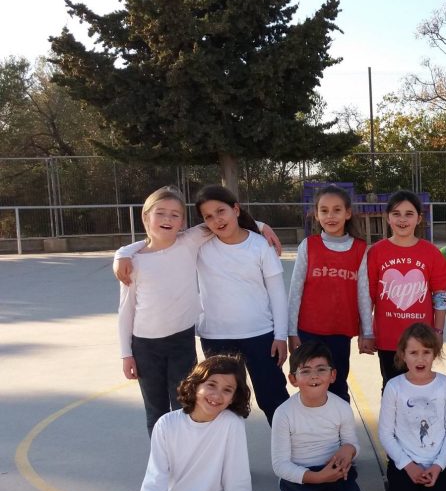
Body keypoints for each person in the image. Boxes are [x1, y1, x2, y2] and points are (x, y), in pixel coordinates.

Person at [114, 187, 281, 434]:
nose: (168, 219)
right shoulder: (134, 262)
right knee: (157, 411)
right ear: (145, 216)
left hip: (184, 342)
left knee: (185, 408)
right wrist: (126, 353)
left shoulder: (190, 241)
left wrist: (261, 225)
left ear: (183, 222)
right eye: (161, 213)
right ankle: (165, 459)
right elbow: (125, 310)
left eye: (175, 215)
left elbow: (224, 220)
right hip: (147, 346)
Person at [130, 354, 259, 491]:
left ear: (233, 398)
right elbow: (156, 476)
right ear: (196, 385)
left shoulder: (231, 424)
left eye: (227, 390)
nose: (217, 395)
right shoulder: (166, 424)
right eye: (211, 385)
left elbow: (235, 474)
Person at [189, 185, 291, 425]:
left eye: (221, 211)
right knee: (221, 404)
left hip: (260, 335)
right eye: (208, 216)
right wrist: (123, 254)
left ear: (235, 209)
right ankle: (223, 450)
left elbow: (277, 294)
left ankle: (289, 448)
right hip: (216, 337)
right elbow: (163, 237)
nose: (216, 220)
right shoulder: (200, 245)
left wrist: (280, 336)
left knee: (273, 398)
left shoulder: (260, 245)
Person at [271, 341, 372, 491]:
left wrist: (349, 450)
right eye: (305, 371)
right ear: (293, 379)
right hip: (301, 477)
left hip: (335, 472)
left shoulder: (341, 407)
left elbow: (351, 442)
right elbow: (280, 465)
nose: (314, 376)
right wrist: (317, 477)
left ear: (332, 375)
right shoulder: (283, 413)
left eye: (321, 369)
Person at [358, 191, 446, 392]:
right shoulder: (376, 252)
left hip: (421, 340)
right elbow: (368, 296)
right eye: (396, 213)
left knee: (420, 387)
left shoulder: (431, 253)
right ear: (388, 217)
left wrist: (438, 332)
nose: (402, 219)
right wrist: (366, 332)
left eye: (409, 214)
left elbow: (440, 295)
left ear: (419, 218)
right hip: (388, 338)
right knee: (391, 388)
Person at [287, 184, 368, 402]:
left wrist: (367, 332)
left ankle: (341, 423)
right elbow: (295, 291)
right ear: (316, 214)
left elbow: (363, 293)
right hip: (308, 330)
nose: (330, 216)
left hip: (340, 332)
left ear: (348, 213)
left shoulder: (360, 248)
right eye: (324, 210)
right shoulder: (308, 245)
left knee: (337, 384)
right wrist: (291, 331)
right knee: (310, 385)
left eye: (336, 210)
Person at [378, 323, 446, 491]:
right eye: (413, 353)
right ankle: (396, 487)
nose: (420, 359)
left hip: (435, 463)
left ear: (435, 354)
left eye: (426, 352)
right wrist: (407, 465)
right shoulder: (394, 387)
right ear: (403, 355)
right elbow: (385, 433)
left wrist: (438, 465)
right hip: (406, 463)